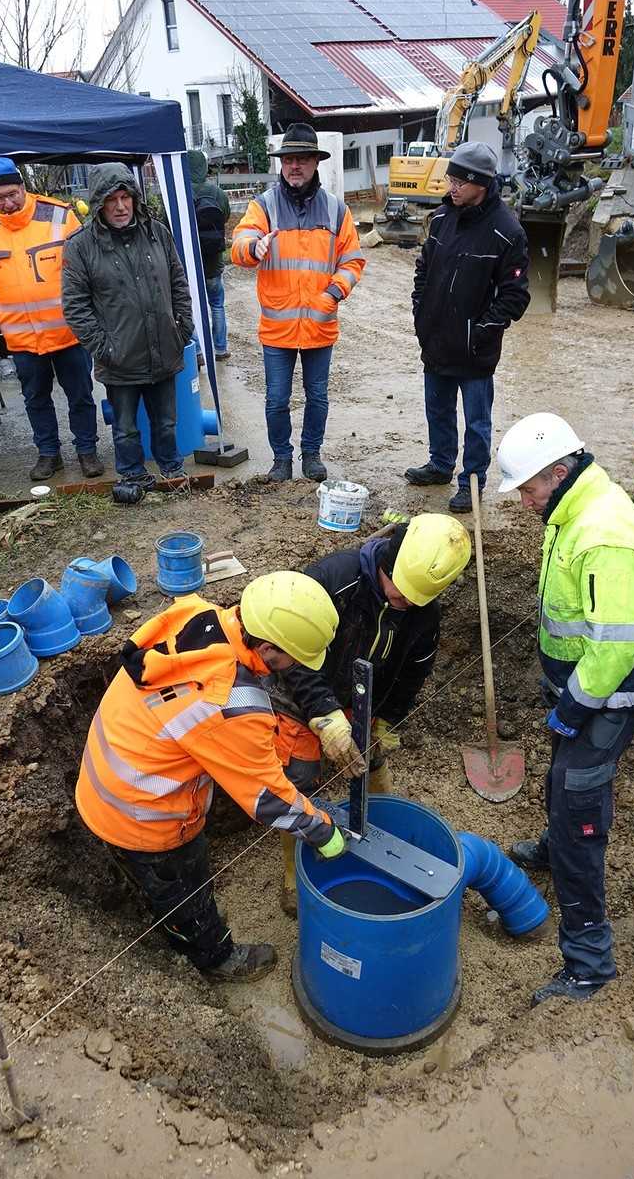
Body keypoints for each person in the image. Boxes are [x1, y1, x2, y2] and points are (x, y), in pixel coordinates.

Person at [75, 571, 346, 982]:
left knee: (168, 882)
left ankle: (176, 915)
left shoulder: (197, 615)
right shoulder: (231, 703)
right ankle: (216, 958)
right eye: (295, 659)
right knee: (185, 886)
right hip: (143, 816)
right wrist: (323, 830)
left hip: (110, 774)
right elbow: (268, 799)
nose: (298, 669)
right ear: (270, 648)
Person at [497, 413, 634, 1007]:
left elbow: (616, 645)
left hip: (609, 694)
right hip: (582, 685)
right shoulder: (572, 505)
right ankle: (554, 843)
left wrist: (575, 703)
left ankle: (589, 964)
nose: (524, 503)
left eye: (528, 490)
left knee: (577, 801)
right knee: (562, 776)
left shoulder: (605, 534)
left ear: (560, 471)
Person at [264, 513, 472, 915]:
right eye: (399, 597)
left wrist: (388, 717)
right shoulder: (333, 580)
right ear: (386, 563)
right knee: (300, 777)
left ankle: (383, 837)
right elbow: (290, 656)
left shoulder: (422, 609)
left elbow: (416, 668)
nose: (406, 605)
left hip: (364, 697)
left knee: (372, 762)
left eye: (415, 601)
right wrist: (324, 716)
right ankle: (294, 872)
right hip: (301, 691)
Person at [231, 123, 365, 483]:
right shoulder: (264, 206)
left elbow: (352, 261)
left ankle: (311, 455)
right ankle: (281, 458)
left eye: (302, 159)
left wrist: (333, 293)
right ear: (281, 164)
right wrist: (252, 248)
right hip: (278, 329)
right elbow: (239, 242)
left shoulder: (336, 210)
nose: (295, 166)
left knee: (317, 397)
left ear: (315, 163)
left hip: (320, 324)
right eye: (289, 159)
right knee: (276, 400)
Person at [406, 142, 530, 513]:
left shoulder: (507, 231)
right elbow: (424, 269)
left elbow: (515, 296)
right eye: (451, 179)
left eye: (460, 181)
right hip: (436, 340)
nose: (452, 187)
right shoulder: (443, 218)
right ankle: (441, 464)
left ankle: (472, 482)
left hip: (475, 351)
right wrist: (421, 312)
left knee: (477, 422)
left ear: (481, 183)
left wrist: (482, 331)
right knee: (438, 410)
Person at [0, 157, 103, 482]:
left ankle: (87, 451)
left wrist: (85, 313)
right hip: (22, 337)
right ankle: (48, 454)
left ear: (23, 187)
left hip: (69, 332)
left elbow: (88, 266)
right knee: (35, 399)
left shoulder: (59, 215)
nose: (7, 203)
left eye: (12, 194)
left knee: (80, 395)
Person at [62, 164, 193, 491]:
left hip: (163, 347)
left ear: (135, 198)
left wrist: (182, 328)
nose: (120, 206)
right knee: (125, 428)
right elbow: (75, 306)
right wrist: (104, 348)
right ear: (98, 204)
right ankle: (132, 475)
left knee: (165, 423)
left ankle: (171, 470)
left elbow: (178, 282)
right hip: (119, 357)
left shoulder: (157, 233)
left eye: (125, 197)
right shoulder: (81, 246)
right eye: (111, 199)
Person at [187, 150, 231, 361]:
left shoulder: (180, 191)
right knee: (217, 304)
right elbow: (226, 217)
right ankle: (220, 349)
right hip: (213, 261)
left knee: (192, 307)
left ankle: (197, 351)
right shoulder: (217, 193)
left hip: (189, 263)